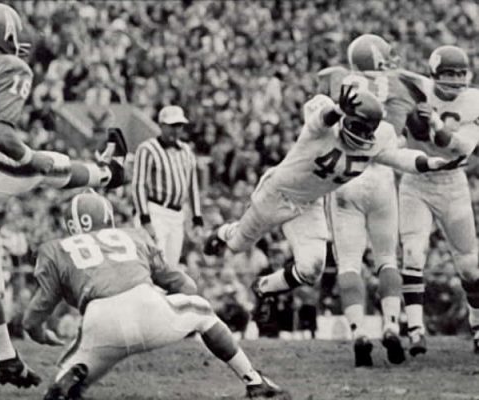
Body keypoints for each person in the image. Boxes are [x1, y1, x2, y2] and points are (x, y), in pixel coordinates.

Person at [0, 3, 125, 388]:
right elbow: (2, 135)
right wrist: (29, 159)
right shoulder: (12, 67)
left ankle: (8, 361)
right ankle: (109, 172)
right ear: (7, 33)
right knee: (46, 164)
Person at [203, 85, 459, 312]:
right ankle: (224, 231)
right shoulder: (320, 132)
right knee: (237, 245)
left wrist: (433, 163)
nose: (360, 133)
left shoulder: (371, 144)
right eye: (356, 124)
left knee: (311, 268)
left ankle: (265, 287)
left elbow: (400, 158)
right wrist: (337, 109)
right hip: (276, 195)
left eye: (365, 129)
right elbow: (321, 119)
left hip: (310, 204)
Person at [22, 191, 290, 400]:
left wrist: (41, 335)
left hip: (99, 321)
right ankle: (255, 382)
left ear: (71, 226)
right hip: (146, 306)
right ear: (109, 218)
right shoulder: (134, 235)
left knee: (73, 364)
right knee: (201, 310)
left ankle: (70, 376)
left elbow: (33, 318)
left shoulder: (55, 249)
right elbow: (186, 286)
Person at [317, 33, 425, 367]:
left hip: (347, 174)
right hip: (381, 171)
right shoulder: (402, 82)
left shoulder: (336, 78)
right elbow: (417, 129)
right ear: (380, 59)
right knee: (387, 258)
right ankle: (392, 325)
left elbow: (322, 114)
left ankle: (358, 333)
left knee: (348, 262)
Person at [398, 45, 479, 355]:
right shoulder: (419, 86)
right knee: (413, 253)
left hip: (453, 184)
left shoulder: (474, 101)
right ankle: (416, 330)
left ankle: (477, 326)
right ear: (434, 75)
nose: (456, 80)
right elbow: (388, 75)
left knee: (470, 267)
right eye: (449, 74)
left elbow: (459, 147)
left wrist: (433, 122)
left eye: (461, 73)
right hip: (417, 183)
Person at [132, 105, 203, 268]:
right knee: (155, 263)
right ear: (161, 125)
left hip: (177, 214)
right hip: (156, 209)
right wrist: (145, 218)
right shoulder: (147, 149)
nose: (176, 130)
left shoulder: (186, 150)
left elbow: (193, 187)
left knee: (171, 266)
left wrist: (197, 219)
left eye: (179, 125)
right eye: (172, 126)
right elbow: (139, 184)